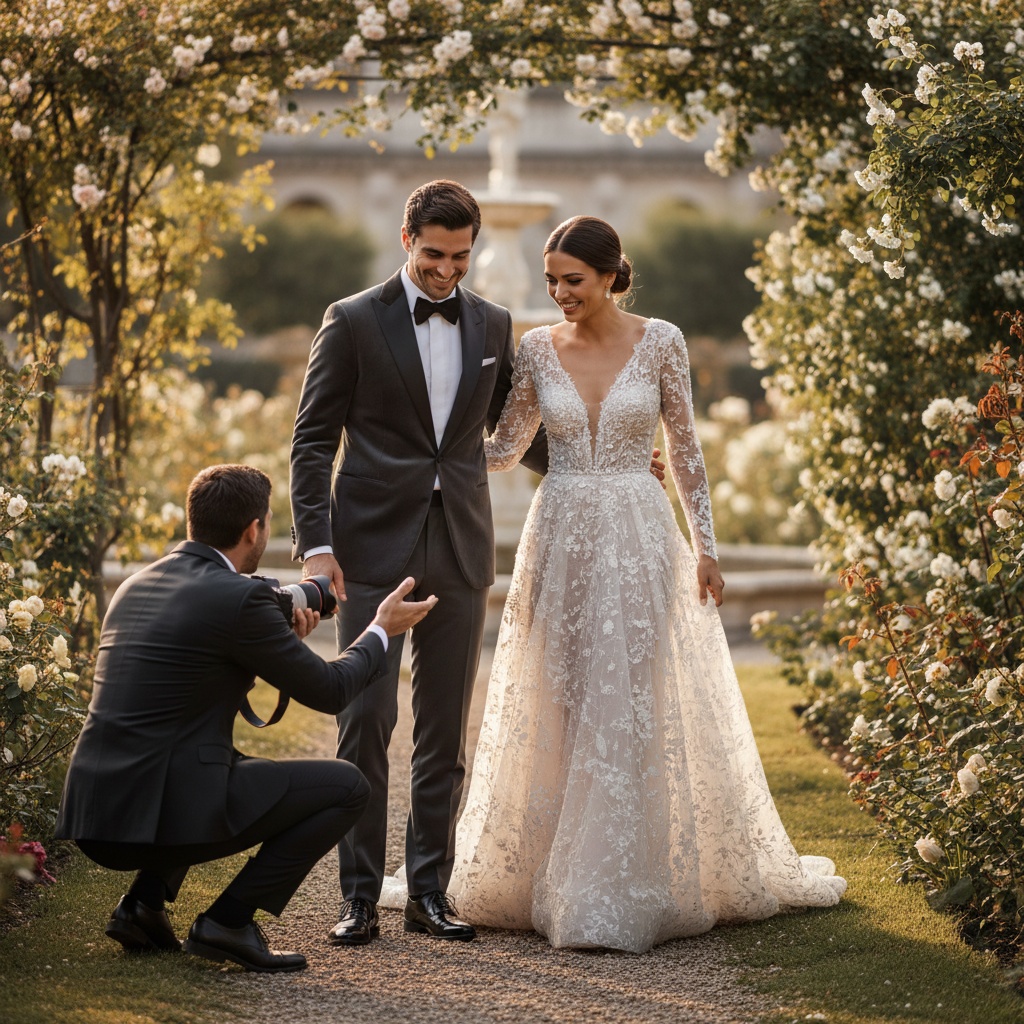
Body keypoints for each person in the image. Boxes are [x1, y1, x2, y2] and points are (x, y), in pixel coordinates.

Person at [445, 216, 847, 953]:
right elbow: (504, 450)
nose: (560, 293)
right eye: (551, 281)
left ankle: (626, 876)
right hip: (560, 533)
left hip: (639, 532)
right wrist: (434, 435)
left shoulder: (662, 340)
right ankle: (546, 871)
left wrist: (706, 550)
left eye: (573, 280)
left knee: (633, 694)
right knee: (559, 693)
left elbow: (685, 450)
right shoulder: (536, 348)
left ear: (609, 275)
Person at [289, 179, 549, 945]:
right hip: (369, 549)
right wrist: (318, 545)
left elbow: (518, 432)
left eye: (460, 257)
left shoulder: (493, 322)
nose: (446, 270)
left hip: (460, 545)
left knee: (444, 731)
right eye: (434, 254)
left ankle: (429, 893)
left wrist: (606, 459)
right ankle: (359, 896)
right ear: (407, 240)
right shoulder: (351, 320)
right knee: (365, 721)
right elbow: (312, 441)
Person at [54, 464, 436, 972]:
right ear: (254, 529)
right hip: (158, 814)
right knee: (347, 786)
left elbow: (192, 681)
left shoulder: (134, 585)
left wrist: (277, 645)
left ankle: (143, 905)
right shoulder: (242, 597)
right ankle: (228, 921)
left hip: (95, 814)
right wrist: (380, 630)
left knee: (205, 759)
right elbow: (331, 691)